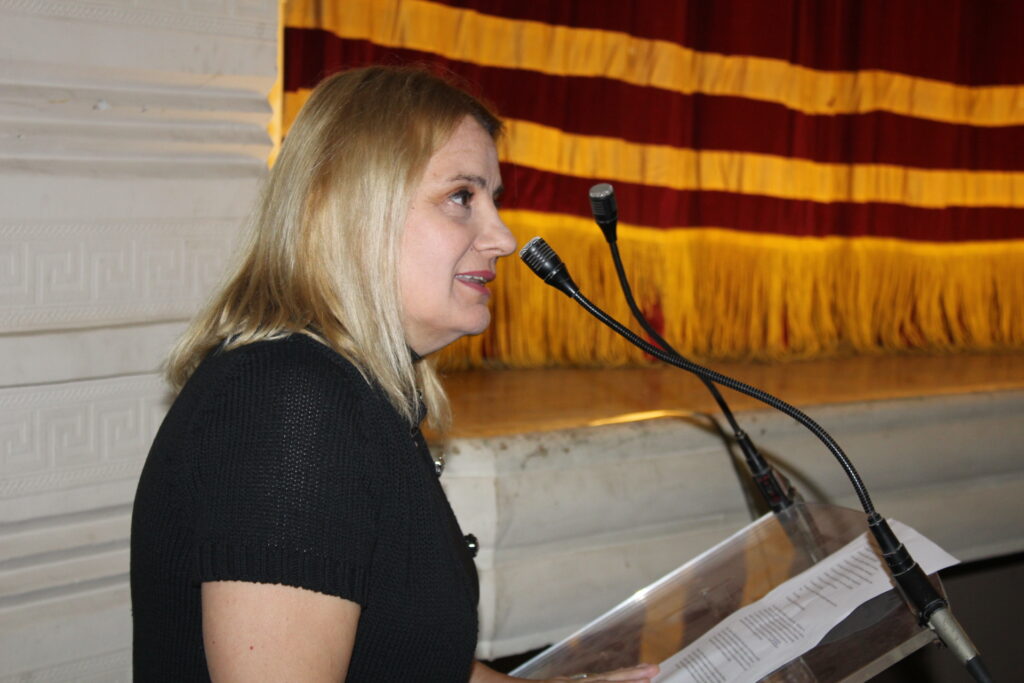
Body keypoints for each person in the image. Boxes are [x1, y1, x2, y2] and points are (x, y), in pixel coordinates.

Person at [130, 65, 658, 682]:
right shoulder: (290, 405)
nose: (503, 237)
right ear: (350, 209)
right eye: (461, 197)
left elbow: (409, 662)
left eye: (494, 199)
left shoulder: (343, 392)